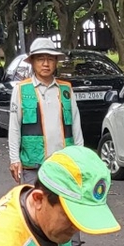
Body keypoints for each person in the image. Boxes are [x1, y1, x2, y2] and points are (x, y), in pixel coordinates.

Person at [8, 38, 84, 186]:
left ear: (56, 62)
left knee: (60, 205)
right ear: (33, 62)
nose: (46, 64)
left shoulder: (66, 89)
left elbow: (76, 124)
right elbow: (14, 127)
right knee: (35, 204)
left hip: (63, 164)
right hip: (33, 163)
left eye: (50, 59)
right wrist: (14, 159)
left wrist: (80, 157)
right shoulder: (21, 89)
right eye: (40, 59)